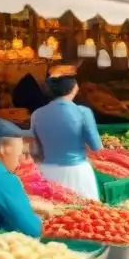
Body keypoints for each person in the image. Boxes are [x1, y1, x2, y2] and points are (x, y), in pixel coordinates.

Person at [30, 67, 103, 200]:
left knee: (52, 217)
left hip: (47, 173)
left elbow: (35, 150)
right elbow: (96, 147)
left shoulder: (37, 114)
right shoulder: (83, 112)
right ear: (75, 88)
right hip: (78, 173)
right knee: (83, 216)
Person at [0, 118, 42, 237]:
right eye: (20, 155)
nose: (21, 161)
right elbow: (33, 229)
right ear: (2, 150)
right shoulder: (1, 178)